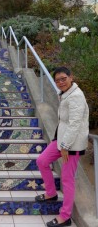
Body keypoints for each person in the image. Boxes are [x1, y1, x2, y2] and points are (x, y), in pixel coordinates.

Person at [35, 67, 89, 227]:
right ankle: (51, 193)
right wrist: (60, 142)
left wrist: (65, 146)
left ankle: (65, 217)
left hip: (71, 145)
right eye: (57, 80)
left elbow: (75, 124)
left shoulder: (76, 96)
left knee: (67, 179)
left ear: (71, 77)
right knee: (42, 161)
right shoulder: (66, 94)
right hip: (61, 140)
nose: (60, 82)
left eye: (63, 78)